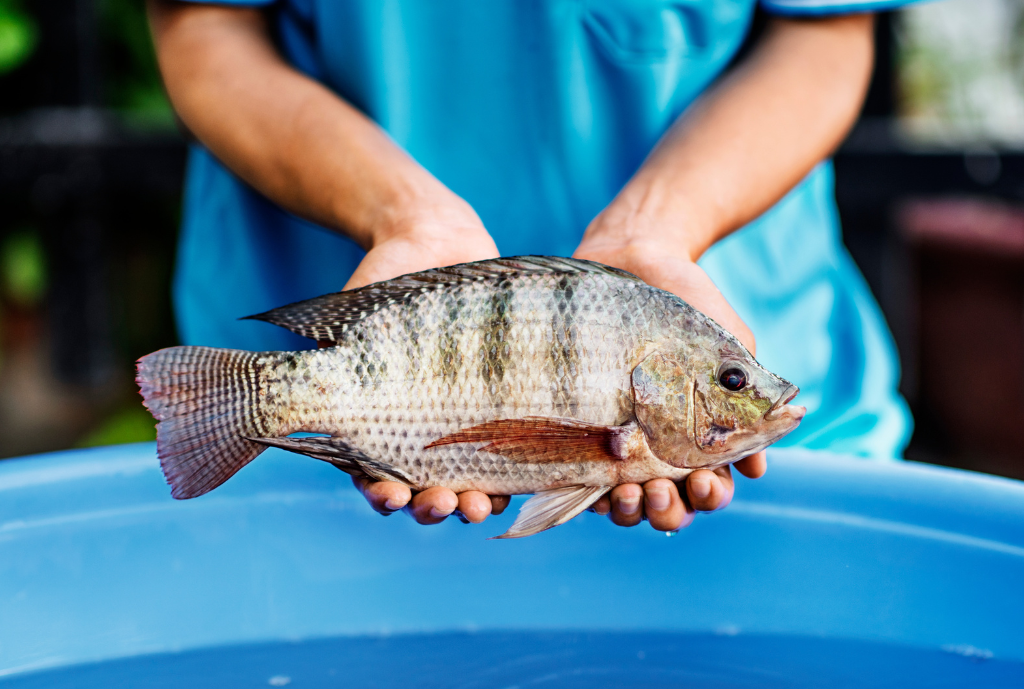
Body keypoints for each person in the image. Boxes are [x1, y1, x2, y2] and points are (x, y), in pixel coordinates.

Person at [147, 0, 916, 533]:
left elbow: (825, 29)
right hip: (309, 344)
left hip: (752, 301)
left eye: (730, 378)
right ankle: (264, 402)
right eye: (732, 381)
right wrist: (399, 212)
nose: (744, 390)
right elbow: (204, 24)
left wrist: (665, 225)